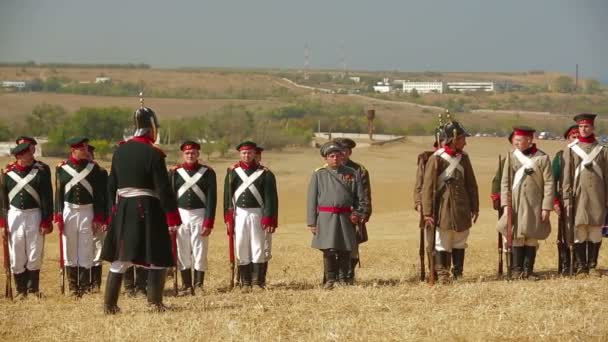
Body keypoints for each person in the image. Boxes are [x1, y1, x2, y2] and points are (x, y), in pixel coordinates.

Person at [101, 101, 182, 314]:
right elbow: (163, 188)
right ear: (152, 127)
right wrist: (172, 216)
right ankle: (154, 303)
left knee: (120, 258)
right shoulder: (154, 154)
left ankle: (109, 305)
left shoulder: (120, 151)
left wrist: (112, 212)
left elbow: (111, 185)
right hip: (148, 207)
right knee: (156, 255)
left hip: (123, 208)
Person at [422, 121, 479, 283]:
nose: (465, 142)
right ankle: (442, 275)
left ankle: (458, 273)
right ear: (453, 139)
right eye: (462, 139)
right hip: (443, 208)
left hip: (461, 207)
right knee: (442, 240)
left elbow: (471, 184)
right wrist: (427, 213)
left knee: (460, 239)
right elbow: (427, 188)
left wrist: (475, 207)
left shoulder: (464, 158)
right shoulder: (436, 159)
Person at [307, 142, 369, 288]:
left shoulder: (352, 173)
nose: (335, 158)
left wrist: (358, 213)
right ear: (326, 159)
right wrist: (312, 222)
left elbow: (360, 198)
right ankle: (330, 279)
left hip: (345, 217)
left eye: (338, 155)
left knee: (345, 248)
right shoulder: (319, 174)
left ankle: (343, 279)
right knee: (329, 249)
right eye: (331, 156)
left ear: (342, 156)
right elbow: (311, 199)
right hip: (326, 217)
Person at [498, 127, 553, 280]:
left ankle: (527, 271)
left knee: (531, 237)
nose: (515, 143)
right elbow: (505, 183)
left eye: (519, 140)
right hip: (515, 203)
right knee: (516, 236)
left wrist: (546, 207)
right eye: (515, 140)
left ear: (529, 140)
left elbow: (549, 183)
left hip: (535, 204)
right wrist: (505, 205)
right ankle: (516, 271)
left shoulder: (542, 158)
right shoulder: (511, 156)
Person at [54, 137, 107, 297]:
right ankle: (73, 287)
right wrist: (59, 216)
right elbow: (58, 195)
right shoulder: (62, 169)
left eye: (86, 149)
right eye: (82, 149)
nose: (86, 151)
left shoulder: (93, 169)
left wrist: (98, 216)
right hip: (69, 210)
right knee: (70, 247)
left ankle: (83, 286)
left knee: (85, 248)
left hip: (87, 210)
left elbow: (98, 195)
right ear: (74, 150)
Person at [0, 143, 53, 298]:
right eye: (27, 154)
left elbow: (46, 199)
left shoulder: (40, 173)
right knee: (16, 253)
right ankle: (21, 289)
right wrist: (3, 224)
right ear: (19, 157)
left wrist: (45, 221)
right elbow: (2, 202)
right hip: (14, 215)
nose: (31, 155)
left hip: (34, 215)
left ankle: (33, 289)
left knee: (34, 252)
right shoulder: (8, 174)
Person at [224, 141, 278, 291]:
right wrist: (228, 219)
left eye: (249, 153)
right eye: (244, 153)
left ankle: (256, 282)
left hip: (257, 214)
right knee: (241, 246)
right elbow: (227, 199)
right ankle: (245, 282)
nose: (247, 155)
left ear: (255, 154)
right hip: (239, 214)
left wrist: (268, 218)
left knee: (258, 247)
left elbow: (270, 199)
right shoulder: (232, 172)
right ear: (240, 154)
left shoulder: (265, 174)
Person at [562, 113, 608, 277]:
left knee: (595, 229)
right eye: (581, 126)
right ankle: (582, 266)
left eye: (587, 126)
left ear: (593, 128)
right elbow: (566, 176)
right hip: (578, 196)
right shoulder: (571, 149)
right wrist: (567, 198)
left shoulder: (602, 150)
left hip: (597, 195)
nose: (583, 129)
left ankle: (592, 265)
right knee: (580, 229)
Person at [169, 140, 216, 295]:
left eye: (193, 153)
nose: (190, 155)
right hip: (180, 215)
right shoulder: (175, 172)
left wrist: (208, 221)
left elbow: (211, 199)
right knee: (182, 251)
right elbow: (170, 198)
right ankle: (187, 285)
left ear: (198, 154)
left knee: (200, 251)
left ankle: (199, 284)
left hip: (200, 215)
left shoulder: (208, 173)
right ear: (183, 154)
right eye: (187, 153)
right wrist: (170, 220)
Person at [332, 138, 372, 284]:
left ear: (350, 152)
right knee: (332, 245)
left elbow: (365, 194)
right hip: (333, 215)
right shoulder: (328, 169)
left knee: (352, 246)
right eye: (339, 151)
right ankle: (332, 276)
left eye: (345, 151)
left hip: (352, 215)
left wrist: (363, 214)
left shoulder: (359, 170)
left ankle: (348, 276)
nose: (342, 154)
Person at [414, 127, 445, 280]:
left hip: (447, 207)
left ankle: (445, 271)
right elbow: (420, 184)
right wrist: (419, 203)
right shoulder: (426, 159)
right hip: (430, 206)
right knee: (431, 240)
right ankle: (432, 270)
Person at [552, 125, 579, 275]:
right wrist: (555, 201)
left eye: (578, 137)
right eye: (573, 137)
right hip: (565, 199)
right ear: (568, 139)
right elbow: (552, 180)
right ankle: (565, 264)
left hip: (583, 200)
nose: (576, 140)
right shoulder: (560, 156)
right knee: (565, 233)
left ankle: (580, 264)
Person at [87, 144, 108, 292]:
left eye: (89, 155)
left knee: (97, 248)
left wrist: (105, 218)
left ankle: (95, 283)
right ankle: (84, 281)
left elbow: (106, 197)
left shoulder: (101, 172)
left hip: (98, 214)